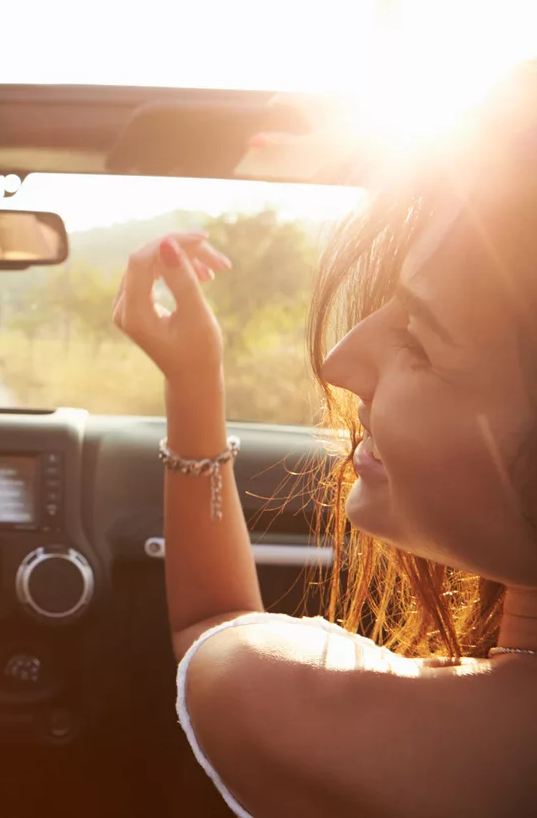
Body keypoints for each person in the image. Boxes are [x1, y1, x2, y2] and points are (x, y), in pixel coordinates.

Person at [112, 65, 537, 817]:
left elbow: (215, 632)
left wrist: (193, 380)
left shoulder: (359, 732)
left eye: (422, 341)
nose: (341, 363)